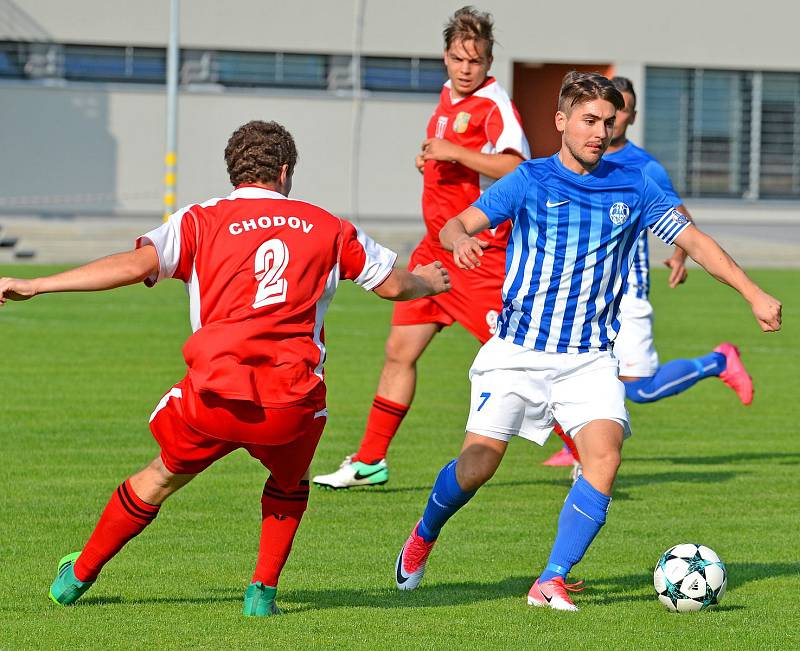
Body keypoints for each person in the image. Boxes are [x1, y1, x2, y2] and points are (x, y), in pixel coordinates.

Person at [0, 120, 450, 617]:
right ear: (284, 171)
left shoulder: (200, 219)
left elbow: (133, 267)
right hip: (291, 401)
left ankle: (77, 576)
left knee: (160, 476)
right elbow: (392, 285)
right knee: (289, 484)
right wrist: (428, 281)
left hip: (216, 396)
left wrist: (37, 284)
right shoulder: (328, 225)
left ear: (234, 172)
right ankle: (261, 593)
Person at [394, 72, 782, 611]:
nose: (599, 131)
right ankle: (423, 537)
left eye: (607, 121)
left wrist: (753, 292)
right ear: (561, 122)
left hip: (589, 358)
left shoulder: (634, 184)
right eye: (589, 120)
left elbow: (694, 239)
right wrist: (461, 242)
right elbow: (456, 224)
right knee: (477, 467)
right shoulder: (529, 179)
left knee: (604, 457)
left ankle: (550, 578)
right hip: (517, 353)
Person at [313, 6, 530, 490]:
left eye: (475, 61)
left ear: (489, 60)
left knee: (521, 359)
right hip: (434, 253)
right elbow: (457, 162)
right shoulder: (448, 97)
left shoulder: (495, 104)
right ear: (446, 57)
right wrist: (432, 161)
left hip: (478, 256)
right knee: (399, 352)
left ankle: (586, 452)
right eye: (457, 58)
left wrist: (454, 153)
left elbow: (518, 168)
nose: (465, 68)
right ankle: (371, 461)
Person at [542, 75, 755, 471]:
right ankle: (576, 448)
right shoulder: (575, 158)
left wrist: (679, 253)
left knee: (637, 390)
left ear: (630, 116)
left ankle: (718, 362)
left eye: (619, 111)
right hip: (584, 295)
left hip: (628, 294)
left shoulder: (643, 167)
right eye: (602, 111)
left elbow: (680, 217)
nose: (610, 120)